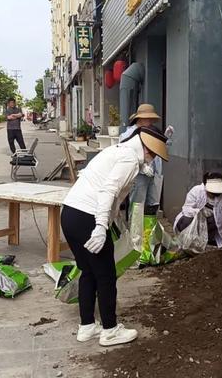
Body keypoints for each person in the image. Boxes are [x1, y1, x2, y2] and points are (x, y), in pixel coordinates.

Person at [61, 125, 169, 346]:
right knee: (106, 275)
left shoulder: (116, 150)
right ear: (147, 150)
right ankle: (110, 330)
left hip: (70, 214)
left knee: (88, 272)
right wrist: (101, 227)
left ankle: (87, 326)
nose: (152, 161)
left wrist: (112, 221)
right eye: (154, 156)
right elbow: (108, 191)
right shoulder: (129, 159)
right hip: (88, 218)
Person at [119, 104, 174, 213]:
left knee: (152, 206)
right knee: (137, 208)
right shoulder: (129, 134)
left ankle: (149, 230)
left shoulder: (150, 131)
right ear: (140, 118)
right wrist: (142, 166)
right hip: (138, 175)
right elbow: (125, 154)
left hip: (153, 173)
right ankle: (135, 230)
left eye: (152, 119)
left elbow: (159, 151)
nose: (151, 121)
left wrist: (166, 139)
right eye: (148, 118)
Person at [174, 172, 222, 248]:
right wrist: (199, 213)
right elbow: (186, 209)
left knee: (214, 221)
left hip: (209, 225)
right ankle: (186, 239)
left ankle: (206, 241)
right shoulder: (196, 191)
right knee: (186, 220)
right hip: (192, 222)